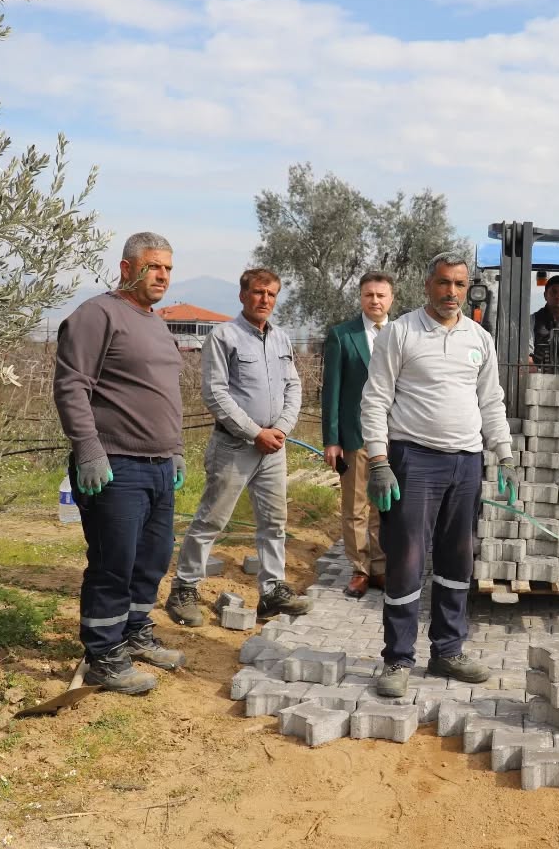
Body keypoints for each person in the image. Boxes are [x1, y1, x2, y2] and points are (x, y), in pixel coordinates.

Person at [359, 251, 520, 697]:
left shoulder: (479, 338)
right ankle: (397, 659)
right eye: (444, 283)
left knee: (457, 560)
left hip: (466, 463)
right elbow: (374, 400)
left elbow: (492, 402)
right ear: (428, 285)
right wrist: (378, 462)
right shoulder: (401, 333)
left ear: (469, 289)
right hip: (415, 460)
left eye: (460, 285)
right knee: (407, 559)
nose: (452, 293)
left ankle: (448, 650)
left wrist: (503, 455)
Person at [53, 232, 187, 695]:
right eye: (154, 267)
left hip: (158, 467)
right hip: (116, 467)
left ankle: (133, 634)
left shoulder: (154, 323)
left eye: (168, 268)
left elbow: (163, 394)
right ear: (127, 269)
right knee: (114, 562)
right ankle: (104, 654)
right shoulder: (97, 315)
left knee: (151, 560)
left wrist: (176, 451)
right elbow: (72, 386)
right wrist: (88, 449)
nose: (163, 276)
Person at [165, 267, 311, 625]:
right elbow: (215, 393)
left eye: (272, 294)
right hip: (235, 447)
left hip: (273, 448)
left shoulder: (281, 339)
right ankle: (184, 588)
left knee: (274, 522)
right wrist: (254, 432)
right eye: (259, 292)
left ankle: (272, 592)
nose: (265, 300)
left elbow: (294, 387)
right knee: (212, 518)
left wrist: (281, 429)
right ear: (243, 295)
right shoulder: (224, 336)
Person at [321, 271, 395, 598]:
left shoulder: (402, 334)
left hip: (396, 435)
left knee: (385, 505)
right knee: (355, 506)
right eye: (369, 295)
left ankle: (381, 568)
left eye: (381, 295)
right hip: (356, 435)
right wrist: (332, 439)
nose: (375, 300)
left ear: (391, 298)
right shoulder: (342, 335)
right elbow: (332, 392)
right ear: (361, 298)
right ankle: (360, 570)